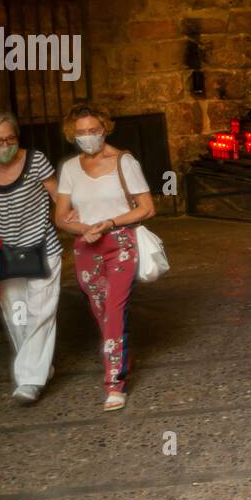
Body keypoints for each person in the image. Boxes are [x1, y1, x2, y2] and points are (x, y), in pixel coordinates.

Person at [52, 105, 155, 412]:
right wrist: (84, 228)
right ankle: (121, 353)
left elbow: (147, 208)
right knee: (101, 311)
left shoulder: (124, 161)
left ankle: (114, 383)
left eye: (93, 130)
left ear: (105, 128)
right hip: (86, 247)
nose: (88, 137)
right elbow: (60, 217)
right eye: (81, 132)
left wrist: (109, 223)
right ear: (73, 134)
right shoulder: (70, 168)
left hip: (121, 242)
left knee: (114, 307)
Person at [0, 110, 63, 405]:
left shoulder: (36, 161)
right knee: (16, 316)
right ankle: (40, 368)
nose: (3, 145)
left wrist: (77, 224)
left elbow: (58, 197)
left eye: (9, 138)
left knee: (41, 312)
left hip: (43, 248)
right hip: (2, 254)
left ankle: (30, 381)